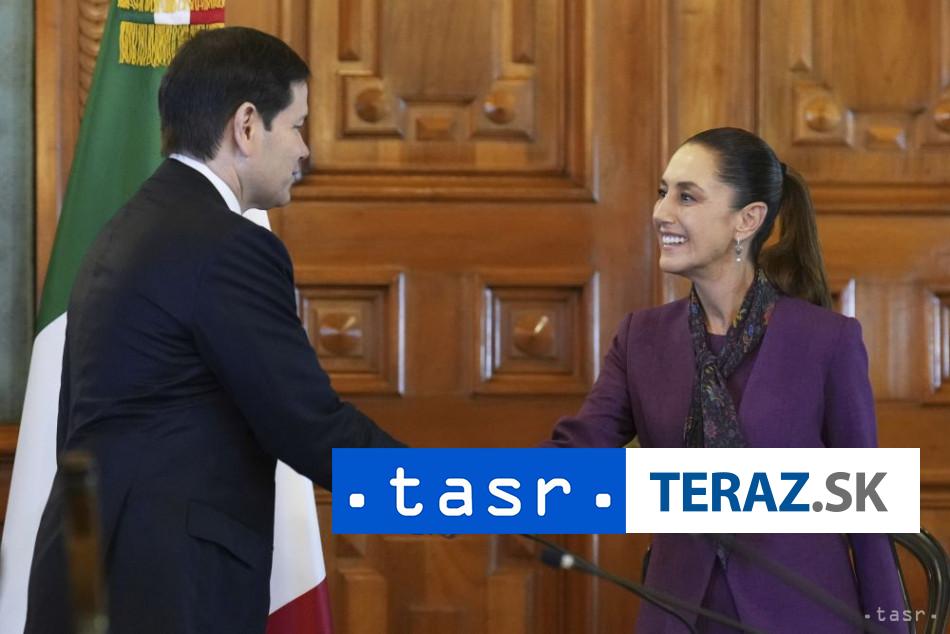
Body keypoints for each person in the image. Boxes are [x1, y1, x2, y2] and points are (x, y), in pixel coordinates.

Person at [26, 27, 404, 633]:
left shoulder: (123, 230)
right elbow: (310, 427)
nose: (305, 150)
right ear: (247, 125)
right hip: (167, 589)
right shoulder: (228, 247)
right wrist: (457, 494)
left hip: (91, 572)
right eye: (297, 125)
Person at [541, 127, 908, 633]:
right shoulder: (641, 337)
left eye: (687, 196)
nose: (662, 212)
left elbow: (868, 514)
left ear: (747, 220)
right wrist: (460, 497)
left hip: (804, 617)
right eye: (662, 192)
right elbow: (578, 455)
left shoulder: (828, 341)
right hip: (680, 617)